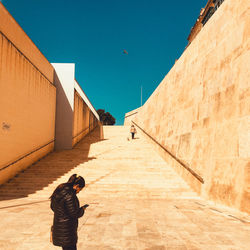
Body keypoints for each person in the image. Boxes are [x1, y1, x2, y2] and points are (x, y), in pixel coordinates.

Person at [50, 174, 89, 250]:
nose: (79, 191)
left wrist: (62, 213)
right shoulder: (70, 195)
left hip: (60, 227)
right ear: (76, 186)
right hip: (67, 230)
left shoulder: (60, 190)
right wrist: (82, 209)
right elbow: (75, 214)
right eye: (80, 189)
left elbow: (52, 207)